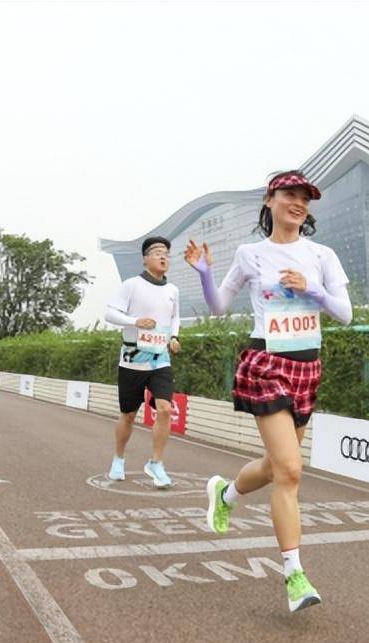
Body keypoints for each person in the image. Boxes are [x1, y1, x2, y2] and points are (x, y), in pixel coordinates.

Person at [184, 170, 352, 613]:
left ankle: (225, 494)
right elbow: (219, 307)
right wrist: (205, 275)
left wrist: (312, 290)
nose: (298, 203)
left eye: (304, 198)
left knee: (277, 466)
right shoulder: (251, 254)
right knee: (291, 471)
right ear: (269, 200)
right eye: (289, 194)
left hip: (307, 367)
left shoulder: (322, 255)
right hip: (267, 363)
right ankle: (295, 575)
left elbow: (346, 313)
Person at [104, 236, 182, 488]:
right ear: (145, 259)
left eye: (166, 253)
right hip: (132, 361)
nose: (163, 256)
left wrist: (174, 337)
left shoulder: (172, 290)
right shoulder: (131, 285)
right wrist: (135, 321)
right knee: (128, 415)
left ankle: (156, 462)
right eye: (157, 252)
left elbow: (175, 317)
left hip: (160, 360)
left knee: (165, 409)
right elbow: (109, 314)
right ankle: (118, 458)